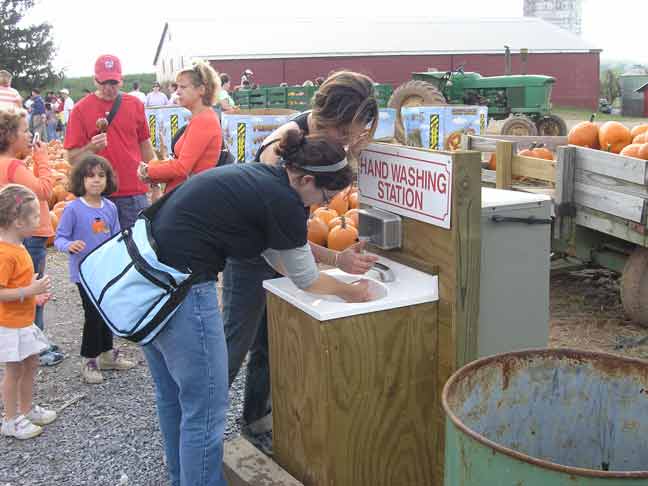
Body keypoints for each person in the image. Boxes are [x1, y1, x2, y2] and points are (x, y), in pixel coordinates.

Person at [138, 128, 370, 486]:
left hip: (148, 275)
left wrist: (335, 260)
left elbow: (278, 258)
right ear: (306, 179)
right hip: (184, 285)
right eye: (325, 196)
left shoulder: (263, 178)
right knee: (207, 407)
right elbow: (305, 279)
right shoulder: (285, 202)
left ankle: (180, 478)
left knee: (174, 395)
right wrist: (352, 292)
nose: (324, 205)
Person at [223, 70, 379, 452]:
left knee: (269, 339)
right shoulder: (279, 151)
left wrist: (337, 257)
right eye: (345, 133)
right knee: (234, 341)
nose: (348, 142)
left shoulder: (331, 138)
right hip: (248, 251)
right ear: (325, 114)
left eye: (355, 135)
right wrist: (339, 276)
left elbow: (291, 237)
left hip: (281, 241)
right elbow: (283, 247)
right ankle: (199, 425)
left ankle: (257, 418)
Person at [55, 155, 135, 384]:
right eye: (90, 176)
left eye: (101, 176)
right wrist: (69, 245)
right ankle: (89, 359)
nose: (96, 180)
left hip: (105, 272)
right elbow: (59, 237)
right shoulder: (72, 209)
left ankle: (107, 354)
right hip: (84, 274)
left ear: (108, 179)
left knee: (105, 311)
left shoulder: (110, 207)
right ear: (81, 180)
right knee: (93, 315)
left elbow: (117, 237)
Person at [0, 108, 64, 367]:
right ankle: (36, 347)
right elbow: (45, 191)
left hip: (12, 233)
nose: (28, 135)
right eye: (24, 130)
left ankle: (29, 343)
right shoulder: (12, 165)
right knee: (33, 292)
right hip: (30, 234)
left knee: (20, 291)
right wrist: (42, 157)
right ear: (9, 135)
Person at [64, 54, 155, 230]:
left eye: (113, 82)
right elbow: (72, 158)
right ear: (95, 80)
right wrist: (92, 147)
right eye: (103, 82)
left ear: (121, 81)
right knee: (101, 250)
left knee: (136, 248)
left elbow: (145, 144)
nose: (108, 88)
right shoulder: (80, 110)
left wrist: (154, 179)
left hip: (133, 192)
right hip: (97, 195)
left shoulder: (135, 104)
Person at [0, 184, 57, 440]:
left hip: (23, 320)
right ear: (17, 222)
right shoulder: (4, 253)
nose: (40, 219)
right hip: (9, 325)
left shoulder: (19, 245)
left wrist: (34, 294)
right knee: (14, 371)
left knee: (31, 363)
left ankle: (25, 409)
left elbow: (17, 285)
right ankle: (10, 420)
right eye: (35, 216)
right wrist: (29, 290)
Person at [137, 61, 222, 194]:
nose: (177, 92)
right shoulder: (201, 118)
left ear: (201, 90)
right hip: (186, 193)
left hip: (191, 196)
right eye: (177, 87)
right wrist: (154, 170)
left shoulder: (204, 121)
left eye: (183, 87)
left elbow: (182, 168)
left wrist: (150, 170)